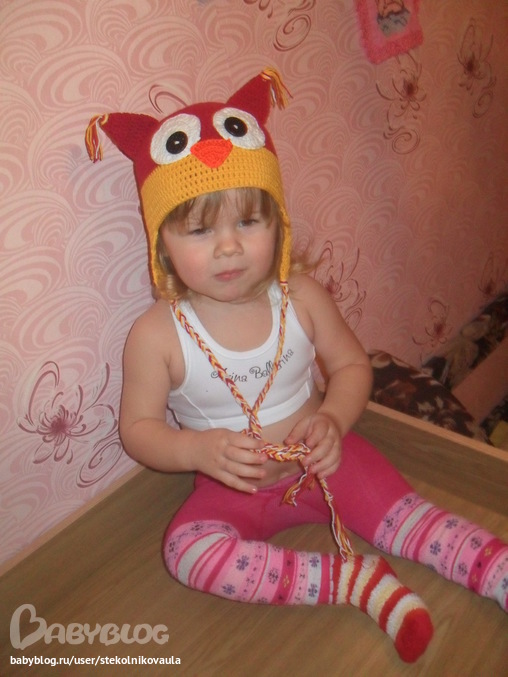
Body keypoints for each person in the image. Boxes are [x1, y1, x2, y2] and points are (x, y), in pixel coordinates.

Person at [86, 69, 507, 664]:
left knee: (415, 521)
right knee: (186, 551)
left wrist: (334, 420)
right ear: (162, 246)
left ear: (278, 222)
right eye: (200, 230)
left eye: (248, 221)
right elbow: (138, 429)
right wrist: (195, 450)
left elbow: (352, 366)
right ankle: (354, 581)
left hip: (329, 464)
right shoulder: (156, 335)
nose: (228, 246)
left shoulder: (301, 298)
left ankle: (496, 569)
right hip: (234, 491)